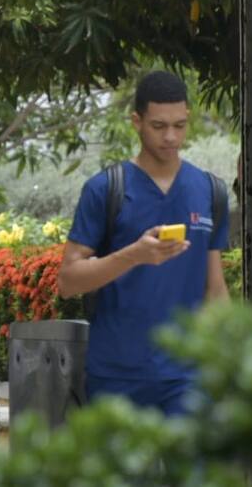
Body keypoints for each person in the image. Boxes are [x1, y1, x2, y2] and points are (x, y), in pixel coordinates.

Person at [57, 71, 229, 416]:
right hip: (116, 377)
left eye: (179, 125)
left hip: (188, 378)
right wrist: (133, 255)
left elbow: (215, 289)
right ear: (137, 122)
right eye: (159, 126)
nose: (171, 137)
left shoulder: (210, 190)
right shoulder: (106, 189)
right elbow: (68, 281)